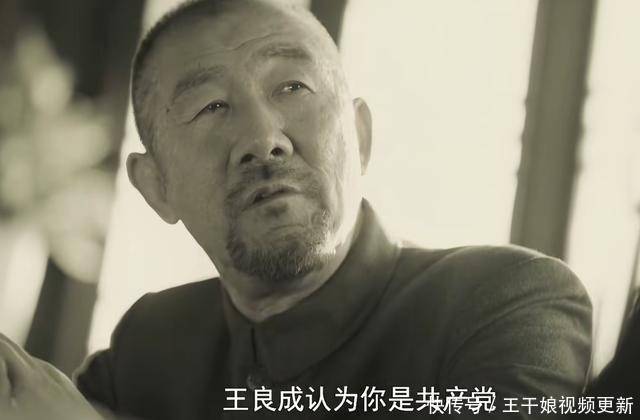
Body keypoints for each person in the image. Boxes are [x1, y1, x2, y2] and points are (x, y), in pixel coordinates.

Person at [0, 0, 592, 418]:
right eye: (210, 107)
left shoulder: (508, 302)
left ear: (360, 136)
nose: (264, 138)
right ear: (157, 187)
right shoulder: (149, 347)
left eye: (293, 87)